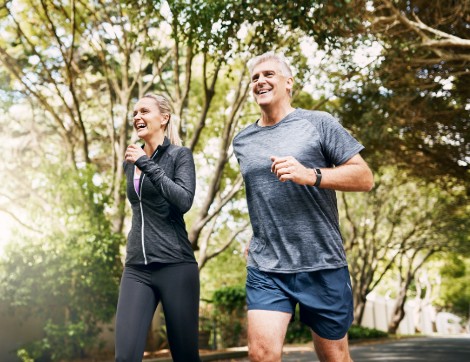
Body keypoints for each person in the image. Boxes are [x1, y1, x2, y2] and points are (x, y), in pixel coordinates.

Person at [232, 52, 374, 362]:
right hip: (267, 263)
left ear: (288, 82)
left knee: (334, 357)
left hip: (321, 261)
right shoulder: (243, 140)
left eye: (268, 74)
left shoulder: (318, 123)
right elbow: (260, 195)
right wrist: (255, 233)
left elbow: (365, 177)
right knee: (261, 355)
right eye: (255, 78)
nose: (260, 81)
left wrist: (310, 175)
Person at [115, 94, 201, 362]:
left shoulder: (179, 156)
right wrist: (140, 161)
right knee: (125, 356)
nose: (137, 117)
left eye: (144, 111)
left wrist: (146, 163)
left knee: (185, 355)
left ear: (164, 118)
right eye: (134, 112)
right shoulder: (132, 161)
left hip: (175, 265)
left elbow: (183, 200)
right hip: (137, 268)